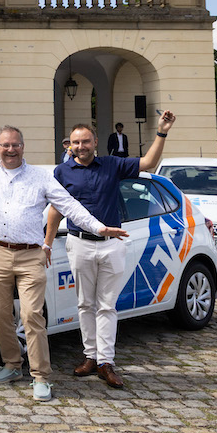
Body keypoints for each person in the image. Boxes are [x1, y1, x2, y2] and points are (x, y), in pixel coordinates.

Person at [0, 121, 127, 403]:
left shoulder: (41, 177)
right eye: (5, 145)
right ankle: (12, 365)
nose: (10, 150)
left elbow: (69, 205)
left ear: (23, 148)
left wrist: (98, 228)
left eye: (15, 145)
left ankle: (40, 376)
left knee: (31, 317)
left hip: (30, 255)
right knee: (1, 317)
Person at [46, 112, 175, 390]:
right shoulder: (61, 172)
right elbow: (55, 210)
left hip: (111, 245)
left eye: (86, 142)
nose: (81, 147)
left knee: (106, 306)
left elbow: (149, 162)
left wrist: (162, 132)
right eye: (76, 143)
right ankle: (89, 357)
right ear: (70, 145)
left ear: (95, 143)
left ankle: (106, 362)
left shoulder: (112, 164)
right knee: (85, 304)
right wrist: (47, 242)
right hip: (78, 243)